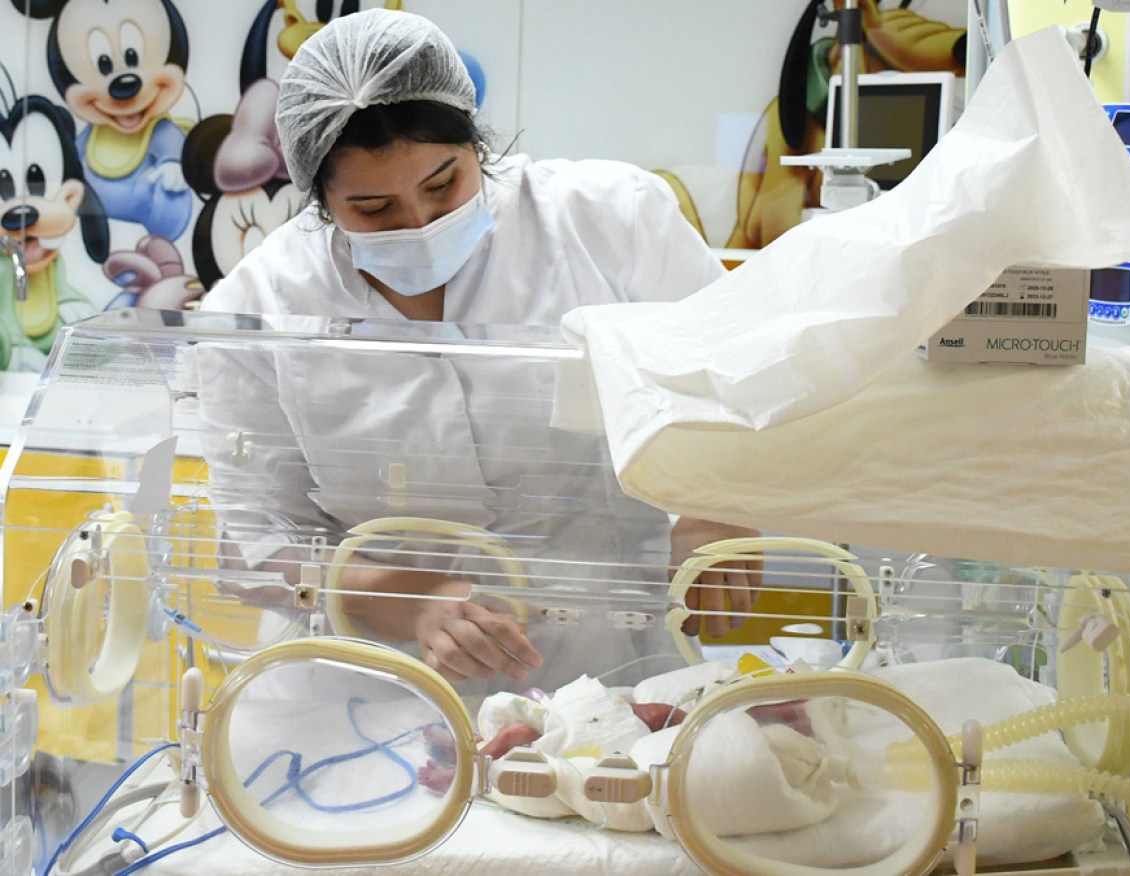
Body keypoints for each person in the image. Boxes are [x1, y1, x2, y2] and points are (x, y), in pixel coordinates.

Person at [198, 9, 759, 691]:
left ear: (478, 142)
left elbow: (733, 382)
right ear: (318, 200)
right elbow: (257, 537)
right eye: (373, 210)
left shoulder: (608, 221)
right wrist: (416, 601)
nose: (419, 223)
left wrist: (713, 519)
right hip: (377, 685)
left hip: (609, 659)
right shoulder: (258, 310)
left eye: (443, 185)